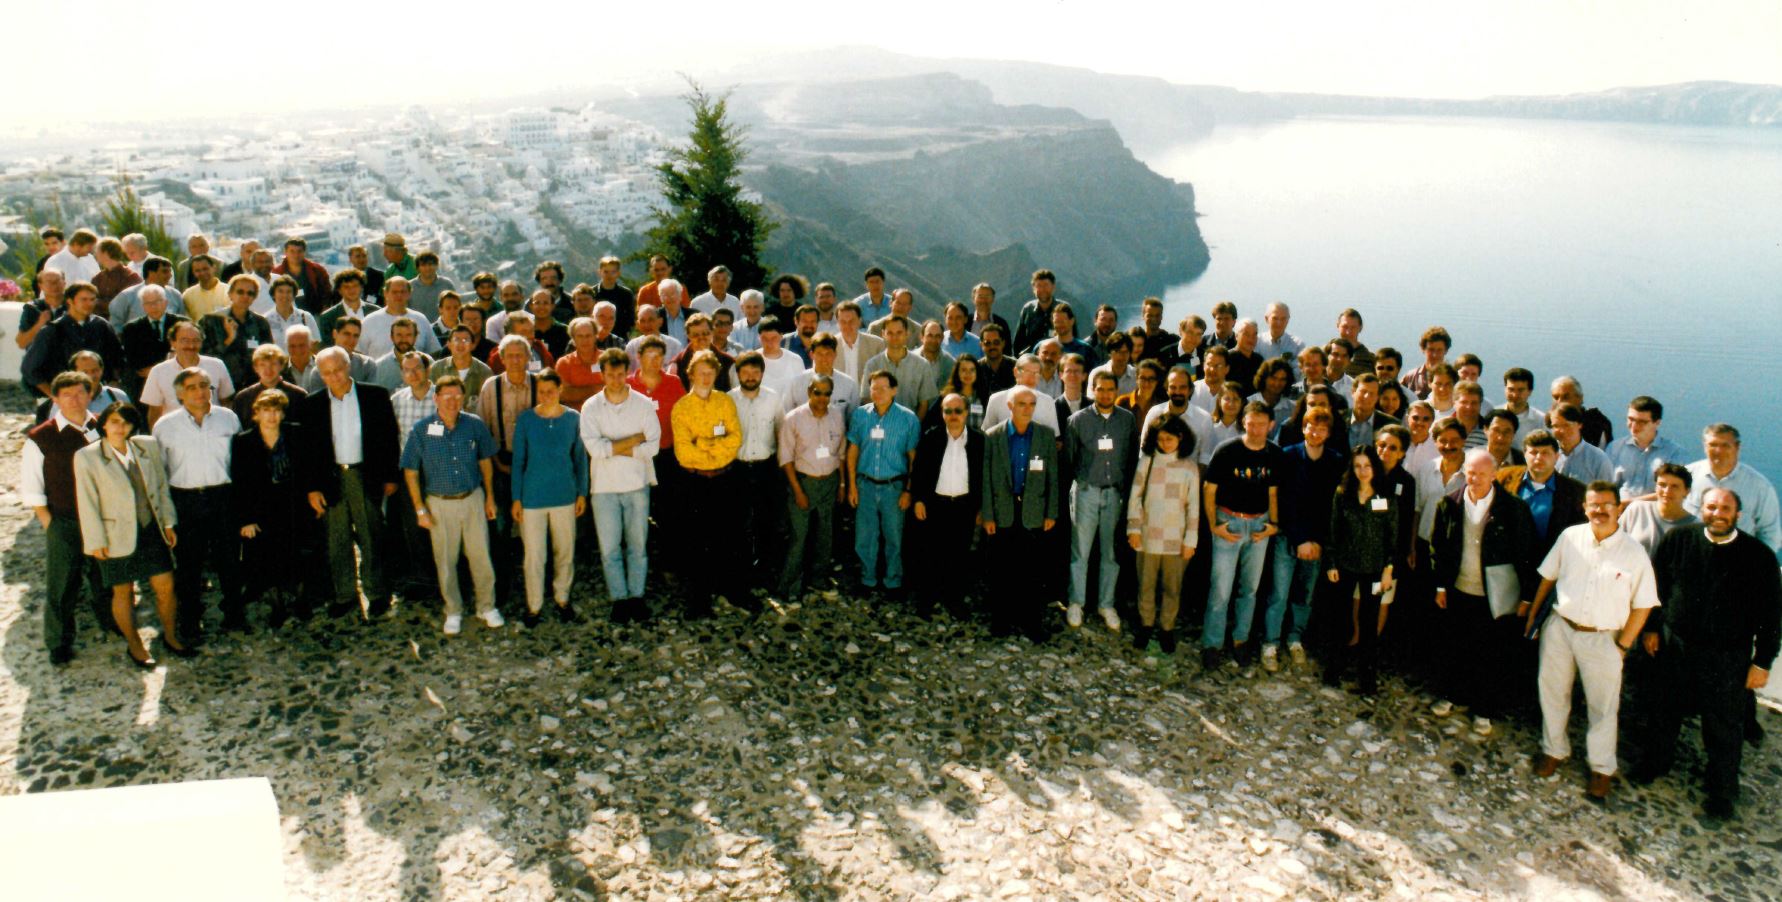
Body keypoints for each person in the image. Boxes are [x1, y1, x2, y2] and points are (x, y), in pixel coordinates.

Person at [1632, 488, 1781, 820]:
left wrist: (1762, 661)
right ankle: (1654, 764)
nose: (1718, 514)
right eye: (1711, 507)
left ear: (1738, 514)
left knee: (1723, 726)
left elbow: (1771, 616)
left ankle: (1722, 792)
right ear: (1702, 509)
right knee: (1663, 710)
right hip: (1676, 645)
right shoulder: (1679, 539)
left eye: (1726, 508)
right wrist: (1652, 628)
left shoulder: (1759, 557)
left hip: (1727, 657)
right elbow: (1656, 587)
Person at [1522, 480, 1659, 801]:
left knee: (1603, 705)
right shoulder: (1570, 537)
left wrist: (1623, 645)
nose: (1599, 510)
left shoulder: (1634, 552)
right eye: (1593, 504)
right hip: (1560, 628)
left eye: (1606, 504)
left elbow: (1643, 605)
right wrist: (1534, 616)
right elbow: (1548, 578)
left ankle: (1601, 767)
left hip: (1604, 638)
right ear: (1585, 508)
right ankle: (1553, 749)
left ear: (1618, 508)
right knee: (1552, 692)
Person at [1429, 449, 1538, 738]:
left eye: (1481, 474)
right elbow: (1438, 547)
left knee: (1491, 654)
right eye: (1470, 473)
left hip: (1496, 595)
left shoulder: (1512, 509)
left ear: (1494, 475)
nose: (1475, 479)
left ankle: (1484, 709)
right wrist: (1440, 585)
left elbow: (1526, 554)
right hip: (1459, 589)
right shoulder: (1449, 504)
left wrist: (1526, 597)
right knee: (1457, 647)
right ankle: (1452, 695)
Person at [73, 399, 187, 668]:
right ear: (104, 424)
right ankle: (135, 644)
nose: (120, 427)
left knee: (166, 586)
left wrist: (168, 522)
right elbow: (86, 502)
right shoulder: (87, 456)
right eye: (114, 422)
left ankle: (170, 635)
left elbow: (161, 486)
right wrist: (96, 541)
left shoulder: (147, 446)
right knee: (123, 592)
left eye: (126, 422)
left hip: (150, 529)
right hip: (115, 535)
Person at [298, 347, 400, 620]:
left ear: (348, 366)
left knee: (371, 535)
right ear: (320, 375)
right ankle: (344, 595)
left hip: (366, 474)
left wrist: (390, 476)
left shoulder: (375, 396)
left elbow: (389, 437)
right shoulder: (313, 404)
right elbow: (308, 452)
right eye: (327, 373)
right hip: (331, 479)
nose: (334, 377)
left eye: (338, 369)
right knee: (337, 539)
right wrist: (312, 488)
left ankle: (377, 593)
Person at [401, 375, 502, 635]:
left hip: (472, 499)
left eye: (457, 396)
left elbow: (485, 462)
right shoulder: (422, 429)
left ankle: (486, 606)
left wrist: (490, 497)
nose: (452, 401)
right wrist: (420, 509)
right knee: (446, 561)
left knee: (481, 557)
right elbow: (411, 471)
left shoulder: (474, 425)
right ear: (436, 398)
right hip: (439, 504)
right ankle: (453, 610)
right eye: (447, 396)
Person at [20, 372, 110, 664]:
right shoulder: (40, 437)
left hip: (104, 518)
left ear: (90, 394)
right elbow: (32, 487)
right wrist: (51, 525)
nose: (74, 399)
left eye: (80, 392)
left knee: (106, 577)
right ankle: (58, 641)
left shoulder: (106, 426)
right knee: (62, 585)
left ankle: (112, 622)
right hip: (65, 520)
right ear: (55, 399)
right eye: (67, 394)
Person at [151, 366, 245, 639]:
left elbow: (240, 461)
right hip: (186, 499)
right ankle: (191, 618)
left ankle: (234, 613)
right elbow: (160, 473)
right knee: (189, 563)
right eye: (192, 387)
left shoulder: (228, 419)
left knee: (229, 559)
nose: (200, 392)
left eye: (204, 385)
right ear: (179, 394)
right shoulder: (165, 426)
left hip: (223, 497)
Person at [1200, 401, 1283, 670]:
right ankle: (1212, 644)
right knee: (1220, 589)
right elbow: (1209, 489)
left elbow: (1273, 492)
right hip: (1229, 523)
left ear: (1271, 425)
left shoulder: (1274, 453)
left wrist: (1273, 524)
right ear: (1243, 422)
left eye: (1262, 424)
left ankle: (1240, 641)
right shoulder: (1227, 450)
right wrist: (1214, 525)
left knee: (1249, 589)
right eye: (1251, 423)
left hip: (1258, 526)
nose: (1256, 429)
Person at [581, 348, 661, 623]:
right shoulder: (591, 407)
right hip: (604, 488)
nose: (615, 380)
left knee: (637, 545)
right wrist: (633, 440)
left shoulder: (643, 404)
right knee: (609, 548)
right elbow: (594, 449)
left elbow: (652, 446)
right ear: (602, 375)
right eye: (610, 375)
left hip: (637, 484)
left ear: (627, 373)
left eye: (620, 374)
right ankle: (619, 599)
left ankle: (636, 596)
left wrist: (613, 447)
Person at [1264, 407, 1345, 672]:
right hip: (1288, 537)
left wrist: (1318, 541)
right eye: (1312, 427)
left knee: (1305, 595)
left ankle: (1295, 638)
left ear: (1328, 433)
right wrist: (1300, 540)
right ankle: (1270, 642)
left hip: (1316, 542)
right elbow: (1284, 501)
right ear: (1303, 428)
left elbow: (1331, 507)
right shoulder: (1288, 456)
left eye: (1322, 429)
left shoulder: (1335, 461)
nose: (1316, 433)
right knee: (1279, 593)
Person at [981, 386, 1061, 639]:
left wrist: (1051, 512)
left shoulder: (1045, 436)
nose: (1027, 409)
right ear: (1010, 406)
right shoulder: (993, 436)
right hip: (1003, 511)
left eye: (1031, 404)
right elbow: (986, 479)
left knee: (1032, 570)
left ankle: (1031, 622)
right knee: (1002, 570)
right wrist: (988, 515)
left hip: (1033, 511)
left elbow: (1053, 477)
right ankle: (1001, 621)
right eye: (1022, 404)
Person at [509, 370, 588, 626]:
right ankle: (534, 605)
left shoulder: (573, 419)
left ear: (560, 390)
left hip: (564, 495)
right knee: (534, 555)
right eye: (541, 392)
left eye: (550, 391)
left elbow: (580, 459)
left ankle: (562, 598)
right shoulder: (526, 420)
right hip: (532, 498)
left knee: (564, 551)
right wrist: (516, 498)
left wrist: (582, 492)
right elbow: (518, 461)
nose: (546, 396)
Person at [229, 389, 314, 626]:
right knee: (267, 558)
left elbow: (309, 470)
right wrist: (246, 518)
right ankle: (277, 605)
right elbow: (240, 482)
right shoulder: (243, 441)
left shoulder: (296, 433)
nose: (272, 416)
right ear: (256, 413)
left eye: (277, 410)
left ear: (283, 413)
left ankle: (301, 600)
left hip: (294, 505)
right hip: (262, 509)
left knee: (299, 554)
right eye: (266, 410)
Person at [1320, 445, 1400, 693]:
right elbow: (1333, 530)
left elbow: (1392, 537)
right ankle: (1334, 669)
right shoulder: (1343, 493)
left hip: (1375, 569)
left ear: (1375, 467)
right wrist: (1331, 562)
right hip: (1345, 566)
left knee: (1369, 622)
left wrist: (1388, 569)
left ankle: (1367, 679)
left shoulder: (1386, 496)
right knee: (1341, 619)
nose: (1363, 471)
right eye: (1358, 466)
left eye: (1367, 466)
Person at [672, 350, 746, 617]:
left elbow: (735, 439)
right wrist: (715, 446)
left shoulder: (725, 402)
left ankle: (730, 589)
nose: (705, 378)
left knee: (728, 536)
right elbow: (684, 452)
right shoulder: (681, 408)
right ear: (690, 374)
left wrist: (702, 443)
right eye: (700, 373)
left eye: (710, 373)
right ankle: (698, 599)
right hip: (695, 482)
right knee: (696, 541)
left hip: (725, 479)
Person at [1064, 372, 1138, 631]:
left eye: (1110, 389)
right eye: (1100, 389)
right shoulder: (1077, 420)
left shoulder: (1127, 420)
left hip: (1114, 493)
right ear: (1092, 390)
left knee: (1111, 553)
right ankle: (1076, 602)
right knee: (1080, 552)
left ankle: (1106, 604)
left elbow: (1131, 456)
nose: (1105, 394)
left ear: (1117, 391)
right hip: (1086, 491)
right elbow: (1070, 459)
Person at [1126, 412, 1200, 653]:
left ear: (1180, 438)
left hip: (1176, 539)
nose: (1165, 443)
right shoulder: (1147, 462)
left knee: (1172, 587)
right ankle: (1146, 624)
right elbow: (1135, 498)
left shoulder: (1189, 468)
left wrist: (1191, 540)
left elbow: (1194, 507)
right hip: (1148, 535)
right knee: (1145, 585)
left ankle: (1167, 627)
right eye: (1160, 439)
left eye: (1169, 439)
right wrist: (1133, 529)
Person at [909, 392, 985, 619]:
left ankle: (954, 599)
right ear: (942, 413)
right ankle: (927, 599)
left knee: (959, 555)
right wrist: (918, 499)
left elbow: (983, 477)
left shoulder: (979, 441)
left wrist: (981, 508)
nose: (953, 415)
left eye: (958, 411)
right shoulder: (931, 437)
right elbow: (919, 471)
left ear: (966, 413)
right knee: (931, 553)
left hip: (963, 507)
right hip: (935, 505)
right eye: (948, 411)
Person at [847, 370, 922, 595]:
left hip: (894, 488)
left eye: (883, 388)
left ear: (894, 390)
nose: (877, 393)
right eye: (874, 388)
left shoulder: (908, 418)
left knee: (894, 537)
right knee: (865, 537)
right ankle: (867, 579)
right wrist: (851, 485)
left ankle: (893, 581)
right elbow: (853, 451)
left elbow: (913, 458)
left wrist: (909, 490)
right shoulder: (860, 415)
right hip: (865, 485)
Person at [478, 336, 541, 601]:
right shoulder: (490, 386)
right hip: (500, 462)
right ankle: (501, 584)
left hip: (535, 464)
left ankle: (539, 583)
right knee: (500, 526)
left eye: (520, 355)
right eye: (510, 355)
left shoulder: (540, 384)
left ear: (528, 357)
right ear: (501, 358)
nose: (515, 360)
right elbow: (482, 430)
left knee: (535, 527)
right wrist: (495, 463)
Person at [777, 375, 847, 604]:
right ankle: (790, 587)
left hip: (829, 482)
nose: (822, 398)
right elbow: (786, 458)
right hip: (804, 482)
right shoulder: (793, 419)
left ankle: (819, 579)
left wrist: (842, 484)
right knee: (799, 537)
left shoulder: (837, 415)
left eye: (827, 394)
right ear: (809, 392)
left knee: (825, 534)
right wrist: (798, 491)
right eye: (817, 392)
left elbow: (841, 452)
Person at [730, 351, 785, 593]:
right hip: (737, 469)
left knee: (766, 522)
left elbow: (781, 431)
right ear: (738, 374)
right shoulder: (728, 400)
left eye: (755, 372)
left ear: (762, 374)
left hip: (766, 468)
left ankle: (765, 572)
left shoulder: (773, 398)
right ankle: (742, 573)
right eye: (745, 372)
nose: (750, 377)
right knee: (739, 523)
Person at [1684, 423, 1782, 559]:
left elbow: (1770, 534)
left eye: (1725, 445)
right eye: (1713, 445)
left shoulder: (1760, 487)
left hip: (1739, 561)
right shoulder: (1685, 477)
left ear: (1737, 447)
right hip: (1692, 558)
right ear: (1705, 446)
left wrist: (1759, 564)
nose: (1719, 451)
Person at [1497, 429, 1588, 562]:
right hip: (1509, 561)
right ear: (1524, 454)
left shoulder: (1576, 491)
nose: (1539, 458)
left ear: (1556, 456)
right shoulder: (1503, 478)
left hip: (1551, 563)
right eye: (1533, 452)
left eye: (1545, 452)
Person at [23, 280, 124, 399]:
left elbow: (117, 359)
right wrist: (55, 396)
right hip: (64, 397)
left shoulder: (101, 326)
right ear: (70, 301)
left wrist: (114, 382)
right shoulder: (53, 330)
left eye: (92, 299)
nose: (89, 303)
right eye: (84, 299)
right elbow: (30, 370)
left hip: (98, 396)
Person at [198, 274, 275, 389]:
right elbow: (203, 357)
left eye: (250, 293)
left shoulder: (260, 323)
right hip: (221, 383)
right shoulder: (211, 321)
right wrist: (228, 340)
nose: (245, 296)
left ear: (255, 297)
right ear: (230, 294)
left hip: (253, 384)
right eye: (240, 292)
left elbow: (268, 354)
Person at [1607, 396, 1686, 500]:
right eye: (1631, 419)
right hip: (1618, 508)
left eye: (1641, 422)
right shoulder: (1615, 447)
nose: (1634, 426)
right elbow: (1605, 485)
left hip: (1656, 509)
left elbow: (1675, 491)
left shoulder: (1674, 452)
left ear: (1657, 423)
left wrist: (1632, 503)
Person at [863, 316, 937, 420]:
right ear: (883, 334)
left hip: (911, 425)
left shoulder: (922, 365)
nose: (895, 337)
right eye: (890, 333)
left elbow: (924, 403)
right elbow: (867, 399)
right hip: (879, 424)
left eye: (899, 333)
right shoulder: (873, 365)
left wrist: (914, 425)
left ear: (907, 334)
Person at [1618, 463, 1699, 557]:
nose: (1667, 491)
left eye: (1674, 486)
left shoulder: (1695, 527)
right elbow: (1613, 543)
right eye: (1662, 485)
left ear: (1687, 491)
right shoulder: (1637, 510)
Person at [231, 344, 307, 424]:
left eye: (273, 364)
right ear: (255, 368)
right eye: (262, 365)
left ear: (281, 366)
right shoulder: (243, 399)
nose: (268, 369)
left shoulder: (299, 395)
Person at [1549, 403, 1616, 485]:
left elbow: (1607, 491)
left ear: (1579, 424)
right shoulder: (1546, 455)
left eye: (1566, 425)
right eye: (1556, 426)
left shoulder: (1598, 459)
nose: (1562, 431)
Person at [316, 269, 380, 350]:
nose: (351, 290)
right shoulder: (327, 317)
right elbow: (327, 347)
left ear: (361, 287)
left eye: (355, 286)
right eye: (346, 287)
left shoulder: (376, 311)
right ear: (339, 290)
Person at [430, 324, 496, 401]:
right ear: (449, 344)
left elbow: (489, 403)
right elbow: (431, 399)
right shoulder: (437, 369)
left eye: (465, 340)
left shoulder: (484, 372)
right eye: (456, 340)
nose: (461, 344)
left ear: (473, 345)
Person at [1549, 376, 1614, 448]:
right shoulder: (1546, 426)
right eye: (1556, 397)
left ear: (1580, 398)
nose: (1560, 402)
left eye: (1566, 397)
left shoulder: (1597, 424)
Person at [1012, 269, 1061, 354]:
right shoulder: (1028, 310)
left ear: (1053, 287)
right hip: (1032, 359)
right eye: (1039, 285)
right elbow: (1018, 342)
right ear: (1033, 289)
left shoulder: (1063, 309)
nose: (1042, 289)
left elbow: (1072, 339)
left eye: (1046, 285)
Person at [1500, 367, 1545, 443]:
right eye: (1511, 389)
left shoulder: (1540, 420)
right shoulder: (1493, 416)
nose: (1515, 395)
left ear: (1530, 391)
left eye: (1520, 390)